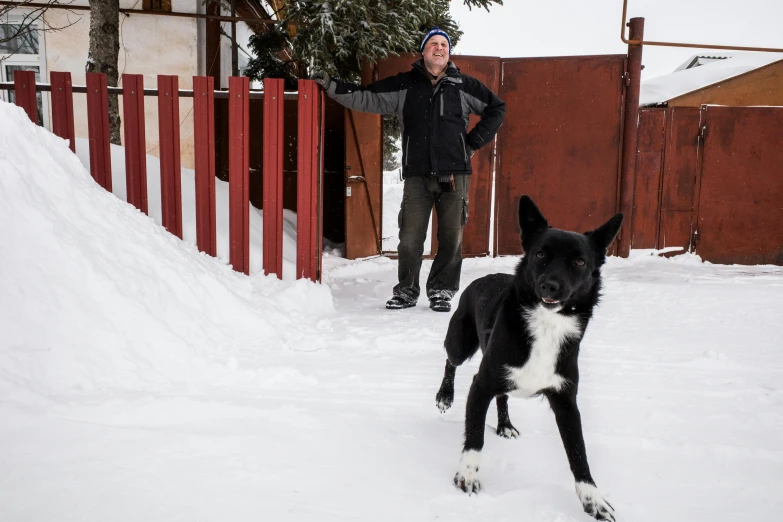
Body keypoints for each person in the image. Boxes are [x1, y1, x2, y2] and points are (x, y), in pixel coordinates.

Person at [313, 28, 505, 312]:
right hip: (417, 176)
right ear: (423, 51)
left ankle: (441, 291)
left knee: (452, 238)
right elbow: (366, 97)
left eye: (443, 44)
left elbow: (496, 108)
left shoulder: (464, 85)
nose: (439, 48)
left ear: (448, 52)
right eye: (433, 44)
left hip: (455, 175)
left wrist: (471, 143)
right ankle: (406, 291)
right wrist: (331, 85)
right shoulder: (405, 85)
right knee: (409, 238)